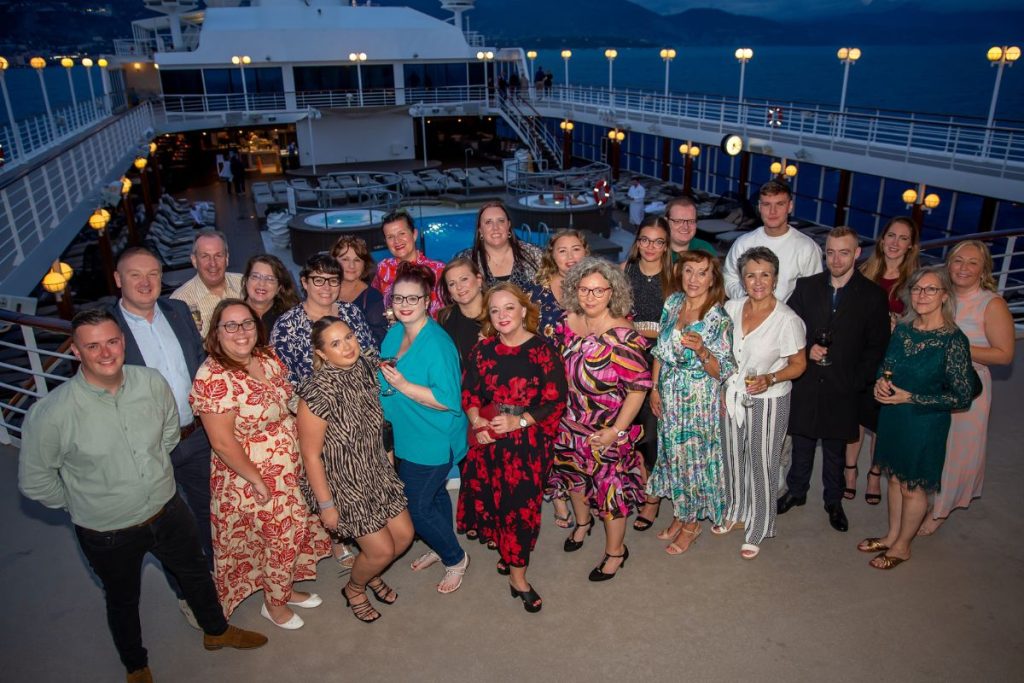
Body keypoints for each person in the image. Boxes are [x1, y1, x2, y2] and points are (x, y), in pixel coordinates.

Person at [19, 309, 267, 683]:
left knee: (196, 574)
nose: (106, 353)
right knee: (122, 599)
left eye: (112, 341)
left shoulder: (151, 382)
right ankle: (136, 665)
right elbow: (36, 482)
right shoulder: (51, 413)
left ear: (123, 341)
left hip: (168, 509)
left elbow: (169, 432)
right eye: (93, 346)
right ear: (76, 351)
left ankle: (216, 631)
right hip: (107, 531)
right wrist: (83, 501)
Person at [190, 299, 332, 628]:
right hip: (251, 475)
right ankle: (274, 605)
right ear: (216, 332)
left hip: (289, 465)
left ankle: (283, 588)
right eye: (230, 325)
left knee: (294, 530)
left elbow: (288, 399)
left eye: (247, 323)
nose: (240, 332)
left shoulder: (266, 357)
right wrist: (256, 479)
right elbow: (222, 442)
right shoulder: (212, 376)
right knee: (278, 537)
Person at [108, 247, 213, 626]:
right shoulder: (106, 327)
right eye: (135, 274)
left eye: (153, 273)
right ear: (118, 279)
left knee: (208, 513)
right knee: (168, 527)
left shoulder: (178, 311)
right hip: (148, 448)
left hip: (196, 437)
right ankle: (187, 594)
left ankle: (211, 581)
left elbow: (199, 362)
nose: (145, 282)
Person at [858, 266, 978, 569]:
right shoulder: (904, 329)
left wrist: (911, 397)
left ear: (944, 296)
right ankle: (891, 536)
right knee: (894, 479)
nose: (922, 295)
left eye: (931, 289)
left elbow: (962, 396)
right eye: (917, 289)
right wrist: (880, 382)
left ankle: (902, 547)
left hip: (925, 423)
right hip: (894, 416)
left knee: (912, 486)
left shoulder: (953, 340)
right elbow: (886, 365)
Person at [296, 317, 413, 623]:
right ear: (321, 353)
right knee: (381, 551)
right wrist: (327, 506)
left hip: (377, 470)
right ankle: (355, 588)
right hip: (344, 483)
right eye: (335, 343)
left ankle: (369, 573)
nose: (347, 346)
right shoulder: (316, 392)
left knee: (404, 537)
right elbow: (310, 456)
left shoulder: (365, 366)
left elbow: (402, 354)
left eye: (349, 337)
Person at [459, 285, 567, 612]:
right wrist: (477, 421)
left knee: (521, 510)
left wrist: (518, 422)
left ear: (523, 311)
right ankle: (507, 553)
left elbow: (555, 401)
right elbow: (470, 392)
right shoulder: (482, 350)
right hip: (490, 441)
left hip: (527, 443)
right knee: (496, 502)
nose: (502, 315)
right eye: (495, 310)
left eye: (509, 307)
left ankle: (518, 578)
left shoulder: (543, 351)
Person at [778, 227, 890, 533]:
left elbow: (877, 347)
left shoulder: (873, 296)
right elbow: (788, 328)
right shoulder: (806, 286)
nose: (836, 259)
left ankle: (833, 501)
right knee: (801, 442)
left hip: (844, 384)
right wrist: (806, 349)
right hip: (806, 380)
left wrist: (856, 381)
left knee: (835, 450)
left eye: (843, 252)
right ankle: (797, 491)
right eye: (830, 252)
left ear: (857, 254)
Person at [547, 257, 652, 581]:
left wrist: (616, 431)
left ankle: (616, 552)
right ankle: (582, 523)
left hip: (605, 429)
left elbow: (638, 390)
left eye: (598, 290)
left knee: (609, 492)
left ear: (612, 292)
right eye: (584, 289)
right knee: (574, 479)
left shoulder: (623, 335)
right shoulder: (567, 322)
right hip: (568, 423)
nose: (590, 297)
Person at [379, 262, 471, 594]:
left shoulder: (437, 344)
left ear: (427, 301)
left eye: (412, 298)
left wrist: (402, 385)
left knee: (416, 507)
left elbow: (448, 400)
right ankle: (441, 542)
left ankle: (455, 558)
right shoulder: (395, 332)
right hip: (407, 434)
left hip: (434, 438)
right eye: (398, 298)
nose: (404, 305)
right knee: (434, 496)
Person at [918, 241, 1015, 535]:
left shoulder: (991, 304)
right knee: (931, 445)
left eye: (972, 263)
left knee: (957, 450)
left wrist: (956, 347)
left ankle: (941, 509)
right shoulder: (941, 295)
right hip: (932, 383)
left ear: (984, 269)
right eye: (958, 260)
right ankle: (926, 497)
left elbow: (1004, 355)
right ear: (948, 264)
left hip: (967, 387)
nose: (963, 268)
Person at [646, 251, 735, 554]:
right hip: (669, 392)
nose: (693, 279)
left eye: (701, 272)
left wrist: (702, 351)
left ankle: (692, 524)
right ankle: (681, 512)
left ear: (712, 279)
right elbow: (660, 350)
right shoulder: (673, 302)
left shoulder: (718, 318)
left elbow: (723, 370)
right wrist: (654, 388)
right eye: (688, 271)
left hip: (698, 399)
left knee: (693, 461)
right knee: (672, 455)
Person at [721, 247, 807, 559]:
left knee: (762, 462)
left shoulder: (788, 320)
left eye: (765, 275)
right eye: (751, 275)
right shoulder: (731, 307)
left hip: (770, 400)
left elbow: (799, 365)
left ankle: (759, 525)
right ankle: (735, 511)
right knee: (732, 457)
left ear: (775, 278)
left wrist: (770, 378)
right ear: (742, 279)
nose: (758, 282)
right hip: (732, 394)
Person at [846, 216, 920, 504]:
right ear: (882, 238)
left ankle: (875, 473)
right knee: (855, 415)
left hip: (894, 357)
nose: (895, 243)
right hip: (863, 354)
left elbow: (924, 321)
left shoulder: (915, 280)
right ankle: (850, 470)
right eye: (891, 235)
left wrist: (899, 324)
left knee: (880, 418)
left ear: (911, 245)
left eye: (903, 238)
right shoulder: (864, 271)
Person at [620, 215, 673, 530]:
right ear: (637, 241)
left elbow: (678, 328)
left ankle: (652, 500)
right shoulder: (625, 272)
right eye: (645, 240)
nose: (651, 247)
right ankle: (641, 486)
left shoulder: (675, 277)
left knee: (652, 436)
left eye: (658, 241)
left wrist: (644, 330)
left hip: (662, 366)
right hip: (627, 364)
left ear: (666, 246)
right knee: (633, 433)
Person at [271, 254, 375, 386]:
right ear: (305, 282)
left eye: (333, 280)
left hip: (365, 389)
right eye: (319, 280)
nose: (327, 287)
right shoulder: (286, 326)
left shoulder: (351, 312)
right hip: (316, 398)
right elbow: (283, 380)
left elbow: (371, 353)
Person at [723, 181, 823, 301]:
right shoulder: (743, 243)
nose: (772, 211)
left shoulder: (807, 248)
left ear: (790, 206)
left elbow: (813, 293)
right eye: (766, 204)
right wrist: (748, 299)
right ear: (759, 207)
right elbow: (729, 278)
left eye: (780, 204)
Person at [454, 201, 543, 290]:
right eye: (488, 222)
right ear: (480, 230)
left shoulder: (533, 254)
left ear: (508, 225)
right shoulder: (466, 259)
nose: (495, 227)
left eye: (501, 221)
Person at [371, 210, 445, 316]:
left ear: (414, 234)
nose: (397, 241)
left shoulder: (437, 270)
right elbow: (374, 300)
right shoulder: (383, 268)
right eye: (390, 237)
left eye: (402, 233)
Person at [171, 229, 244, 337]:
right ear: (194, 260)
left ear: (227, 258)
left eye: (218, 255)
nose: (213, 263)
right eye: (205, 256)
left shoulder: (245, 284)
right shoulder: (180, 302)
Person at [529, 228, 589, 341]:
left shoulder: (599, 286)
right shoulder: (535, 290)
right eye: (562, 251)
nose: (570, 256)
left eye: (576, 249)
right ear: (552, 256)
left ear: (585, 252)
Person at [332, 235, 388, 347]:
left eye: (357, 260)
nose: (351, 265)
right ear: (334, 261)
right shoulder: (325, 292)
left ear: (364, 264)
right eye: (345, 259)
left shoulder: (373, 298)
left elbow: (379, 342)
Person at [437, 256, 485, 367]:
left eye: (464, 279)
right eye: (452, 284)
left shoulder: (499, 313)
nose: (459, 287)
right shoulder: (445, 319)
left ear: (478, 280)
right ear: (449, 292)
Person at [242, 254, 299, 332]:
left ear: (279, 288)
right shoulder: (231, 314)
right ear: (246, 281)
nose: (262, 283)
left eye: (270, 279)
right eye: (256, 276)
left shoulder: (291, 319)